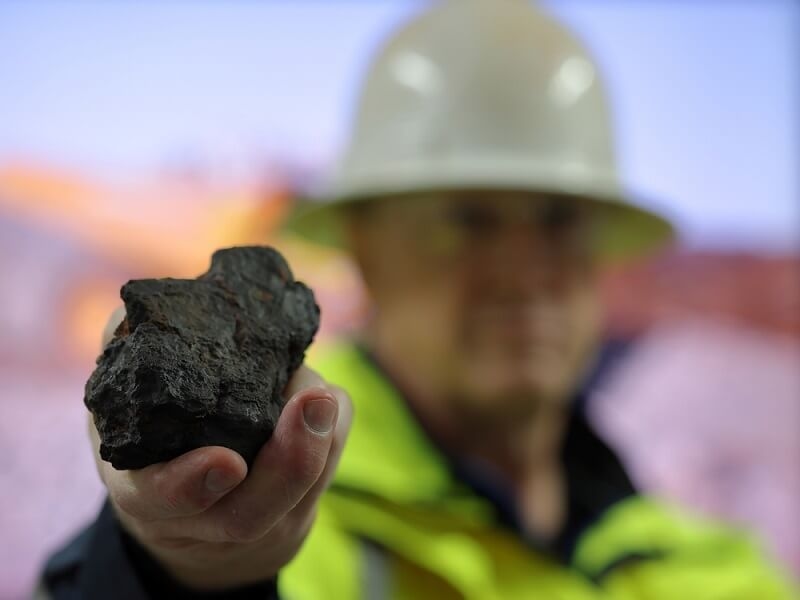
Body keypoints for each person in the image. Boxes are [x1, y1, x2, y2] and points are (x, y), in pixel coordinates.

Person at [40, 1, 796, 598]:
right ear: (366, 249)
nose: (521, 270)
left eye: (558, 221)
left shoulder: (714, 572)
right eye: (466, 220)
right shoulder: (287, 518)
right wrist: (182, 573)